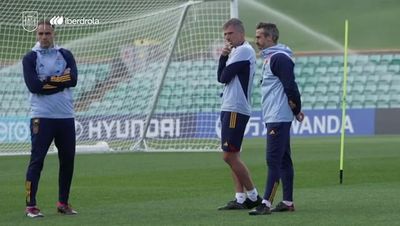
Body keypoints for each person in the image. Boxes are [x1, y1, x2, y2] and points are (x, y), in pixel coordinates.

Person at [22, 20, 78, 218]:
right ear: (36, 35)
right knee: (36, 161)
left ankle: (63, 203)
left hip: (65, 116)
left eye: (47, 33)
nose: (44, 37)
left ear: (54, 33)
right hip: (42, 117)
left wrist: (46, 80)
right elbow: (34, 87)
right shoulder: (30, 57)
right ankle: (31, 205)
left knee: (68, 160)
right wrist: (59, 81)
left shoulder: (65, 54)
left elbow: (74, 80)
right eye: (40, 34)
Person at [248, 22, 304, 216]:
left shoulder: (279, 58)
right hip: (276, 115)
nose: (256, 41)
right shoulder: (271, 58)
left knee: (273, 159)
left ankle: (266, 203)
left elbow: (291, 86)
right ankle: (287, 202)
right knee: (284, 160)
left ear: (270, 38)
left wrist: (297, 108)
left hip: (278, 117)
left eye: (259, 37)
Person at [216, 18, 262, 210]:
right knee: (233, 155)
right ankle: (240, 198)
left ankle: (253, 196)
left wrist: (224, 58)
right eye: (225, 34)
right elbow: (222, 77)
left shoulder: (244, 50)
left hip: (236, 108)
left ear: (241, 34)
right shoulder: (237, 51)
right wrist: (224, 57)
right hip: (230, 106)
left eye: (230, 34)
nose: (227, 38)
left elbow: (224, 77)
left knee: (229, 157)